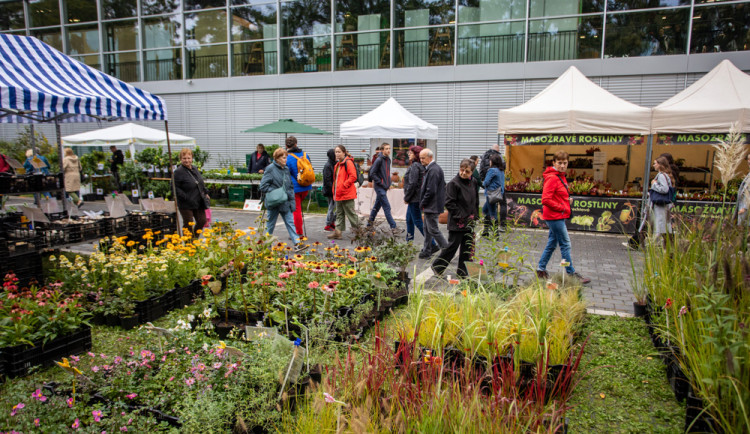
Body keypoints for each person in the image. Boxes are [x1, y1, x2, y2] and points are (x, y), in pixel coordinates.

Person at [536, 151, 591, 284]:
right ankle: (571, 273)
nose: (562, 165)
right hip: (554, 216)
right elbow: (546, 199)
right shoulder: (553, 178)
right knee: (565, 244)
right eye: (559, 163)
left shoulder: (560, 176)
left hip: (557, 215)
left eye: (564, 163)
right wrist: (563, 206)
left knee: (552, 243)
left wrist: (566, 200)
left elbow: (557, 196)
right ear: (554, 163)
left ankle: (541, 269)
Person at [432, 159, 479, 278]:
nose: (463, 173)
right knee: (452, 246)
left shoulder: (473, 182)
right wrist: (461, 216)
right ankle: (437, 267)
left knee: (467, 248)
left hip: (469, 221)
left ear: (472, 172)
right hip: (458, 221)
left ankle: (463, 273)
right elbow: (449, 202)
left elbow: (475, 200)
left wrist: (475, 215)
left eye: (467, 171)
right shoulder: (453, 183)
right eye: (462, 170)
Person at [260, 148, 307, 252]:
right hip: (274, 202)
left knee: (290, 222)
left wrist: (292, 202)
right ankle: (266, 245)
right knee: (270, 225)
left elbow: (290, 186)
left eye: (286, 157)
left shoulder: (286, 169)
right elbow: (263, 186)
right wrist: (277, 192)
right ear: (277, 158)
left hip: (285, 202)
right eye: (283, 157)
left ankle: (297, 243)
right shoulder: (270, 169)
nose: (285, 159)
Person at [367, 143, 403, 235]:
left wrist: (388, 183)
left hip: (384, 187)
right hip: (379, 187)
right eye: (386, 149)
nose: (388, 150)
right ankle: (394, 227)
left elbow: (386, 173)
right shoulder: (379, 160)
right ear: (382, 150)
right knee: (387, 207)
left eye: (389, 148)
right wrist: (382, 182)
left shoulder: (388, 160)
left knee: (376, 207)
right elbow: (372, 173)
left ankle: (369, 225)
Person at [419, 148, 448, 259]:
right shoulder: (432, 169)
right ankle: (427, 250)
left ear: (430, 157)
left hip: (432, 205)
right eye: (420, 158)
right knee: (427, 228)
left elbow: (431, 190)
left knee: (433, 229)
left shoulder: (433, 170)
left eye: (423, 158)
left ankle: (446, 249)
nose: (421, 160)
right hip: (431, 205)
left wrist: (423, 202)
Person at [173, 148, 209, 235]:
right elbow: (174, 187)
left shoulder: (195, 169)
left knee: (202, 221)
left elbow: (200, 182)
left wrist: (206, 192)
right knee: (188, 223)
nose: (187, 160)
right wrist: (185, 197)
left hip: (198, 200)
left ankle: (194, 239)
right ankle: (188, 242)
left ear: (192, 158)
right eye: (184, 158)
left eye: (189, 158)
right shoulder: (178, 172)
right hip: (186, 203)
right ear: (181, 159)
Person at [329, 145, 359, 239]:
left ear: (344, 152)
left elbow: (353, 176)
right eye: (336, 152)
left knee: (351, 214)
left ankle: (359, 232)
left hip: (347, 193)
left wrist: (344, 185)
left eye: (339, 152)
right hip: (339, 193)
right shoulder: (337, 165)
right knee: (339, 213)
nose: (337, 154)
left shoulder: (348, 162)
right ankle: (338, 232)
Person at [285, 136, 312, 237]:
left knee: (296, 211)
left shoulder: (288, 157)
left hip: (295, 188)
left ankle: (298, 232)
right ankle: (298, 230)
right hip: (306, 186)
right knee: (299, 209)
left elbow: (286, 173)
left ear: (286, 146)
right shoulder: (305, 155)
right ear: (296, 144)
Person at [404, 145, 430, 243]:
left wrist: (407, 197)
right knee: (409, 220)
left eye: (410, 153)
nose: (408, 155)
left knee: (418, 221)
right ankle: (409, 242)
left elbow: (413, 183)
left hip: (414, 198)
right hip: (415, 198)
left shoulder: (415, 166)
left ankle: (432, 243)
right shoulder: (420, 166)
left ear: (415, 155)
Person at [479, 144, 507, 232]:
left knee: (492, 212)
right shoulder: (501, 170)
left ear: (492, 162)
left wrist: (484, 184)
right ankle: (486, 231)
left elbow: (486, 182)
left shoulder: (492, 170)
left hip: (491, 193)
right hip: (499, 193)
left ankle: (495, 232)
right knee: (486, 210)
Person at [647, 156, 675, 241]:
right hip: (664, 203)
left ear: (660, 165)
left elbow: (664, 189)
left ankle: (656, 242)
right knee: (664, 223)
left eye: (655, 163)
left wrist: (654, 184)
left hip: (660, 203)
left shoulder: (662, 176)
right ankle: (666, 242)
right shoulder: (665, 175)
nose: (654, 165)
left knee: (659, 223)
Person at [322, 148, 337, 232]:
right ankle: (328, 224)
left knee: (335, 207)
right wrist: (333, 190)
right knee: (331, 207)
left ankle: (332, 221)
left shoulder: (334, 164)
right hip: (330, 190)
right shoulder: (328, 165)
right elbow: (327, 180)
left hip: (333, 189)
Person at [736, 153, 750, 226]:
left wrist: (745, 208)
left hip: (746, 210)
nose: (749, 161)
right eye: (748, 159)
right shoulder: (748, 174)